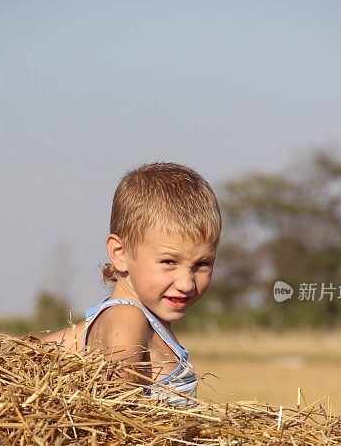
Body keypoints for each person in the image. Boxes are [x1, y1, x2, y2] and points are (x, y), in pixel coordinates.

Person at [44, 162, 221, 404]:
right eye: (169, 262)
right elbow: (118, 406)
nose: (186, 283)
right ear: (120, 253)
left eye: (202, 264)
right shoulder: (127, 318)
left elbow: (31, 352)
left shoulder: (115, 319)